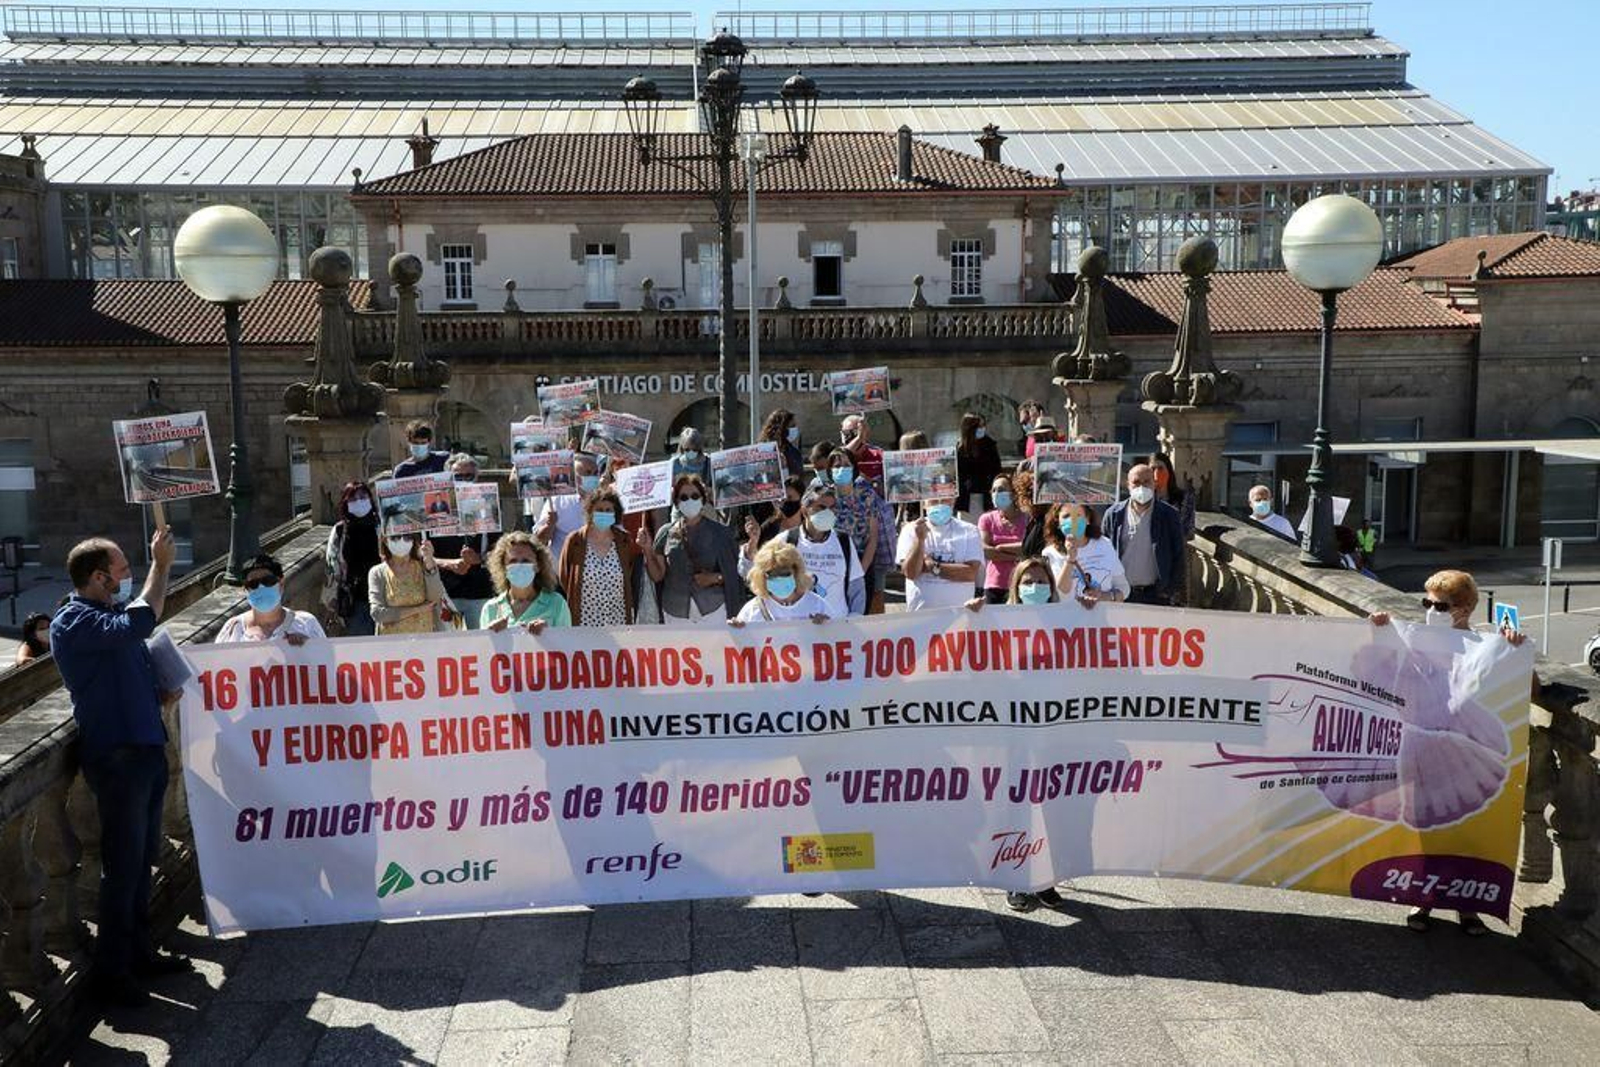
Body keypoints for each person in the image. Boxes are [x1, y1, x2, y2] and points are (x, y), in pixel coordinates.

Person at [51, 529, 190, 1004]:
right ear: (97, 578)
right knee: (122, 868)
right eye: (122, 571)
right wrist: (162, 566)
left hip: (146, 749)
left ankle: (140, 952)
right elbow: (139, 624)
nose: (129, 576)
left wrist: (160, 691)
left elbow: (133, 651)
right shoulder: (73, 621)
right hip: (117, 757)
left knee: (142, 860)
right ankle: (114, 973)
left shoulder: (108, 613)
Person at [1370, 569, 1526, 937]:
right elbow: (1383, 667)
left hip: (1465, 748)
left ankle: (1468, 907)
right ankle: (1421, 898)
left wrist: (1515, 648)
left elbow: (1527, 685)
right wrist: (1378, 629)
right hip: (1421, 748)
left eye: (1440, 605)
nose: (1431, 610)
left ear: (1466, 608)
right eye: (1427, 603)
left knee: (1466, 831)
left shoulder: (1485, 644)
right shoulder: (1416, 638)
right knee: (1426, 827)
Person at [962, 555, 1073, 911]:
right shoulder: (998, 621)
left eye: (1042, 582)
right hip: (1012, 733)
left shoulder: (1067, 620)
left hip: (1052, 731)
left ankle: (1045, 880)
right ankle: (1015, 879)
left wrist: (1090, 610)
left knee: (1054, 809)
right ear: (1015, 588)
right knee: (1016, 810)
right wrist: (970, 619)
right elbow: (970, 660)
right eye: (1028, 582)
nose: (1035, 588)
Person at [744, 486, 864, 619]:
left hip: (837, 630)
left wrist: (854, 620)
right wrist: (753, 544)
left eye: (833, 508)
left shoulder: (844, 542)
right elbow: (757, 575)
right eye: (822, 508)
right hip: (800, 627)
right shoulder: (787, 540)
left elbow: (857, 588)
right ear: (805, 510)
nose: (829, 513)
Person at [644, 474, 746, 626]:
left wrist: (715, 578)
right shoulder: (665, 533)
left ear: (703, 500)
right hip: (675, 611)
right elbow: (657, 576)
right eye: (683, 497)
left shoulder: (721, 533)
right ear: (677, 503)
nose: (689, 500)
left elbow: (737, 573)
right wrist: (646, 549)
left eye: (694, 496)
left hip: (713, 610)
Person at [431, 453, 500, 629]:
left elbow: (501, 551)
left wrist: (480, 559)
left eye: (468, 476)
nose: (463, 480)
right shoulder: (436, 513)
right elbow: (423, 554)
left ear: (476, 477)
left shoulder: (489, 507)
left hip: (480, 593)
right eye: (457, 477)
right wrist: (450, 564)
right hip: (446, 594)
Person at [823, 448, 895, 614]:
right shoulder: (824, 497)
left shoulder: (866, 494)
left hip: (862, 563)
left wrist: (860, 570)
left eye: (846, 465)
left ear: (854, 468)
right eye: (837, 465)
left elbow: (873, 537)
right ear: (830, 470)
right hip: (832, 565)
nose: (842, 469)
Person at [557, 489, 644, 626]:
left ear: (616, 513)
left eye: (608, 510)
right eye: (599, 509)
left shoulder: (624, 540)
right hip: (584, 620)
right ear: (590, 512)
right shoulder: (575, 541)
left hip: (618, 618)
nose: (604, 513)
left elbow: (630, 572)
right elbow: (565, 577)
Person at [1103, 463, 1185, 606]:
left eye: (1146, 481)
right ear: (1128, 485)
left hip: (1156, 596)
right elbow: (1102, 553)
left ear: (1154, 484)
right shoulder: (1114, 515)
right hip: (1120, 595)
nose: (1141, 487)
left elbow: (1179, 555)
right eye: (1136, 482)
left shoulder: (1169, 515)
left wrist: (1170, 590)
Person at [217, 554, 327, 644]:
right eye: (253, 584)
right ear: (245, 590)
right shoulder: (233, 629)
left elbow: (329, 664)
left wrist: (310, 647)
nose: (261, 587)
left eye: (268, 581)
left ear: (281, 584)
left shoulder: (306, 624)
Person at [898, 497, 983, 611]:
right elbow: (911, 572)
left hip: (959, 616)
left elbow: (970, 573)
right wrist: (919, 540)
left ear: (953, 501)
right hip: (920, 615)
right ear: (924, 504)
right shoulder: (911, 530)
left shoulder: (969, 530)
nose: (939, 504)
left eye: (944, 499)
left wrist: (931, 566)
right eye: (933, 500)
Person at [479, 531, 571, 631]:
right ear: (503, 568)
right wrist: (490, 635)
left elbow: (567, 644)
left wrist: (548, 635)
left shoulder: (557, 604)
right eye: (513, 561)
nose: (519, 565)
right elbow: (482, 646)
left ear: (538, 566)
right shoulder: (490, 608)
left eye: (526, 561)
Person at [1041, 503, 1129, 604]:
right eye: (1066, 516)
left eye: (1078, 515)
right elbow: (1061, 593)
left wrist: (1104, 596)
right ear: (1058, 522)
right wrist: (1070, 559)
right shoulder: (1049, 553)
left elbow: (1123, 588)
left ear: (1087, 519)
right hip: (1066, 617)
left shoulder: (1104, 544)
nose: (1072, 521)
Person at [325, 480, 381, 636]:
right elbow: (331, 567)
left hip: (387, 596)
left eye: (363, 497)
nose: (359, 501)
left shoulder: (382, 526)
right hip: (356, 600)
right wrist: (331, 603)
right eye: (353, 499)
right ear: (346, 503)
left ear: (370, 499)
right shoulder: (340, 530)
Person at [730, 539, 830, 625]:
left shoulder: (817, 605)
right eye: (772, 574)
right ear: (761, 576)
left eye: (785, 573)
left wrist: (829, 626)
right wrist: (736, 631)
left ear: (796, 571)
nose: (779, 577)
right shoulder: (752, 611)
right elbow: (738, 643)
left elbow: (840, 636)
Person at [369, 529, 447, 635]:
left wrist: (429, 563)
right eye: (395, 537)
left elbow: (435, 598)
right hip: (391, 645)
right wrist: (418, 609)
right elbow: (377, 613)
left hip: (424, 642)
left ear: (413, 540)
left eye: (407, 537)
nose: (401, 541)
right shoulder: (377, 572)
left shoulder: (423, 567)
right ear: (385, 540)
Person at [979, 473, 1031, 603]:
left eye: (1001, 490)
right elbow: (986, 551)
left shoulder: (1028, 519)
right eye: (994, 490)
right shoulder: (987, 519)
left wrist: (999, 548)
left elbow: (1030, 548)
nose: (996, 493)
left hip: (1023, 584)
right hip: (995, 585)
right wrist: (1019, 556)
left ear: (1013, 494)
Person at [535, 452, 601, 553]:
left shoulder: (606, 500)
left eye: (595, 473)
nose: (593, 477)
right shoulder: (558, 501)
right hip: (564, 566)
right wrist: (549, 525)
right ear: (575, 477)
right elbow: (539, 540)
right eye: (588, 473)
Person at [956, 412, 1002, 519]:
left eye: (983, 425)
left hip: (986, 495)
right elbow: (959, 474)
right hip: (967, 498)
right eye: (979, 426)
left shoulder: (989, 445)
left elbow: (997, 470)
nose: (982, 429)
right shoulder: (961, 448)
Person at [1149, 451, 1196, 541]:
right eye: (1153, 469)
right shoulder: (1145, 499)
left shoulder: (1184, 498)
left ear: (1169, 471)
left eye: (1160, 468)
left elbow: (1187, 530)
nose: (1156, 473)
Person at [840, 413, 885, 490]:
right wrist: (859, 438)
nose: (850, 438)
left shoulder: (879, 455)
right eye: (846, 433)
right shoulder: (835, 457)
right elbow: (845, 455)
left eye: (854, 433)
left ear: (866, 434)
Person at [760, 408, 805, 480]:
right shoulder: (766, 451)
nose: (795, 429)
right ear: (782, 428)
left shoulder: (793, 451)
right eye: (792, 426)